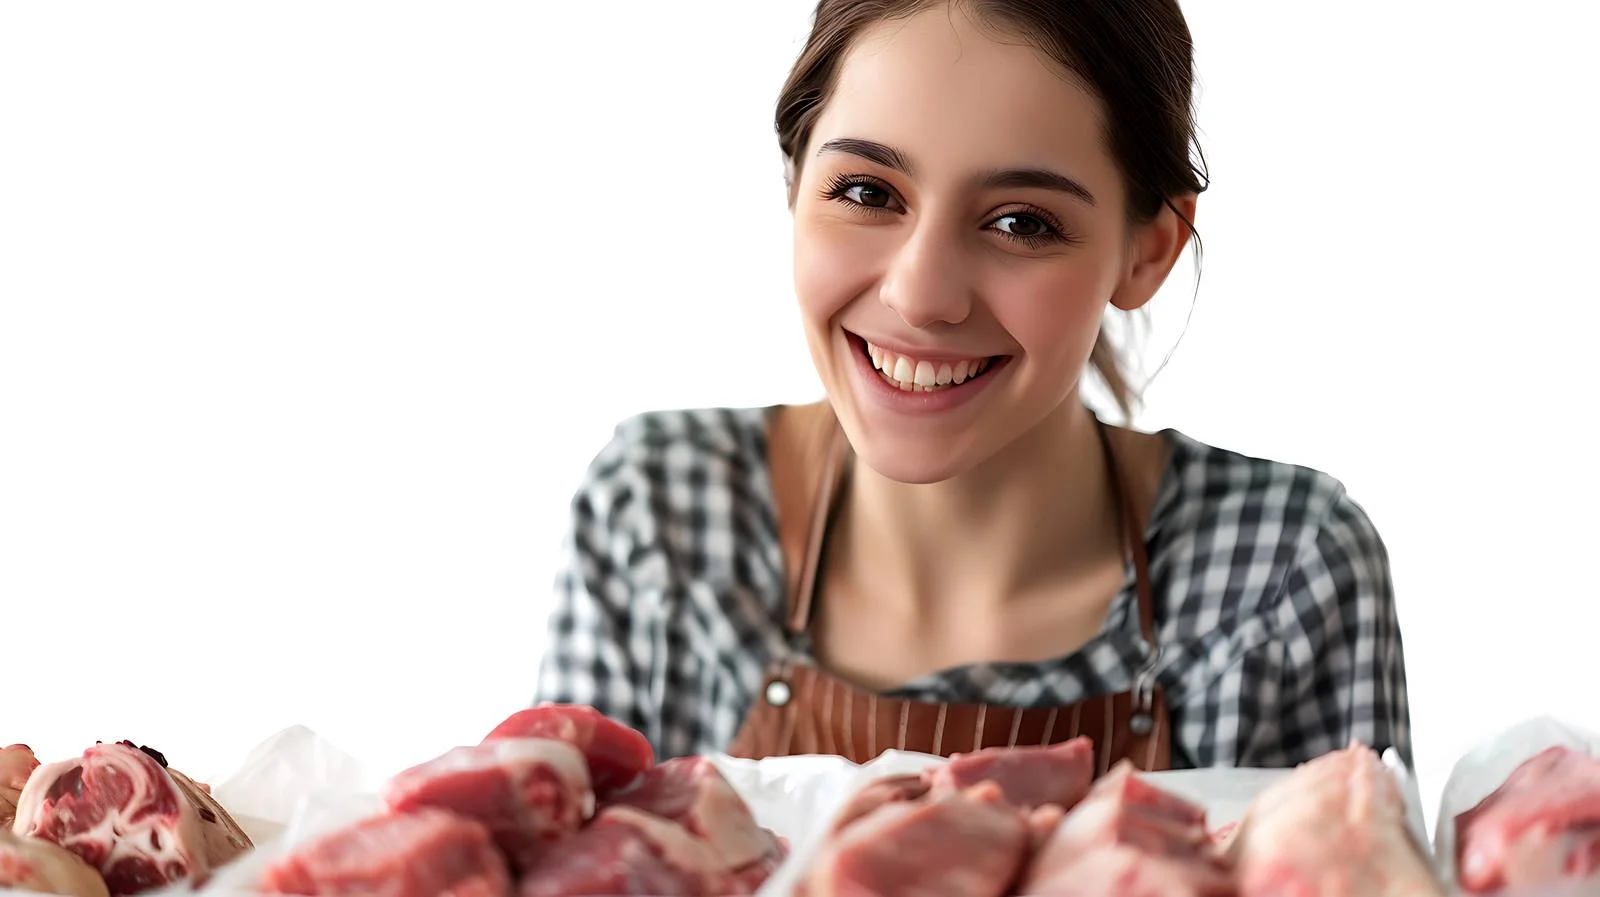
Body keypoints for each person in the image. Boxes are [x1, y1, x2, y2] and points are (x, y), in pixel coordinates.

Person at [532, 0, 1412, 775]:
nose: (921, 295)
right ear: (795, 184)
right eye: (868, 191)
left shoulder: (1283, 570)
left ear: (1148, 249)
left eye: (1022, 222)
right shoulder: (657, 519)